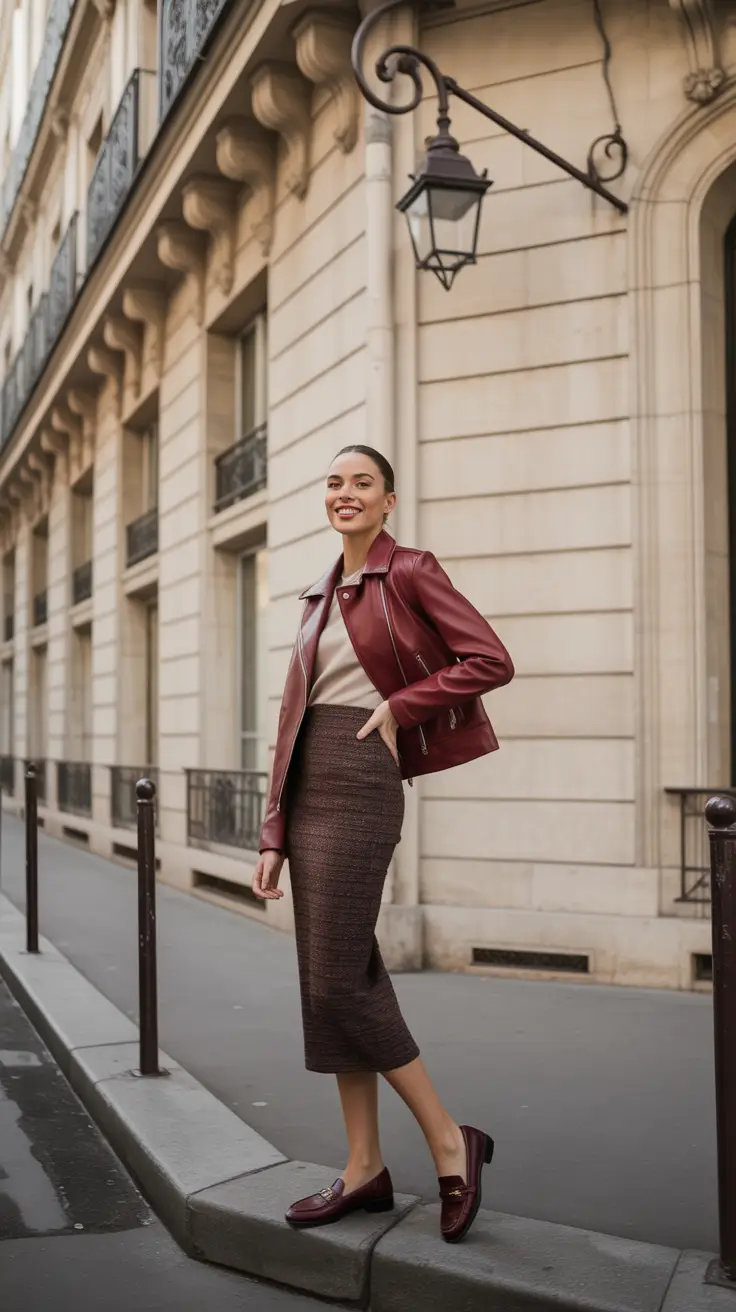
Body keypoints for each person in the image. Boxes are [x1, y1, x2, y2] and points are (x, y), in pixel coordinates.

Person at [252, 444, 514, 1244]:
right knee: (332, 976)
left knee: (337, 979)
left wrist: (402, 708)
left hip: (363, 774)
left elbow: (490, 659)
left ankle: (447, 1141)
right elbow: (291, 717)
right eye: (334, 483)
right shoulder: (319, 593)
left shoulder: (410, 570)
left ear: (388, 501)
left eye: (362, 483)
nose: (345, 494)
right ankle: (363, 1166)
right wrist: (273, 830)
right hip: (309, 778)